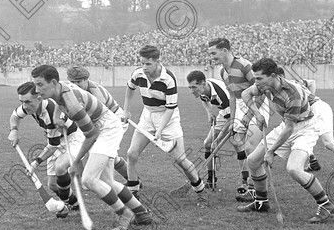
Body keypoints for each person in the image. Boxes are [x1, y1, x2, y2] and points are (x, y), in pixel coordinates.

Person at [31, 65, 153, 230]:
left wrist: (75, 161)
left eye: (40, 85)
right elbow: (60, 100)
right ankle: (141, 213)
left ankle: (124, 214)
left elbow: (91, 134)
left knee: (88, 180)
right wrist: (57, 115)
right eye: (35, 85)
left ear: (52, 82)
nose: (37, 90)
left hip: (106, 128)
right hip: (99, 127)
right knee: (106, 182)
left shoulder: (72, 104)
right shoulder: (60, 86)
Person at [239, 58, 334, 223]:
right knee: (253, 160)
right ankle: (261, 203)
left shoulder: (293, 93)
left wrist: (271, 152)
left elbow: (290, 129)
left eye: (259, 78)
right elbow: (245, 93)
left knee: (294, 169)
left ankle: (325, 204)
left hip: (305, 128)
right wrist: (257, 114)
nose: (256, 82)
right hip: (286, 125)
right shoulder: (264, 85)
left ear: (273, 76)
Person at [122, 45, 207, 207]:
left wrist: (160, 130)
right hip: (147, 115)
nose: (144, 68)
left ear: (157, 61)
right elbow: (129, 89)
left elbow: (170, 108)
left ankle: (201, 192)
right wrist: (126, 111)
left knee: (180, 159)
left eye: (148, 64)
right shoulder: (138, 73)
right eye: (142, 63)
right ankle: (133, 195)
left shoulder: (168, 78)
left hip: (168, 118)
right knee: (131, 154)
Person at [207, 38, 270, 202]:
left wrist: (251, 114)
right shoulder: (223, 71)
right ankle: (248, 182)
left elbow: (261, 90)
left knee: (250, 148)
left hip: (257, 105)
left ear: (225, 50)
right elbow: (233, 97)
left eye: (214, 53)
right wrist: (234, 120)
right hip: (241, 106)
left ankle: (255, 189)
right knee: (237, 143)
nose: (212, 57)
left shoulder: (244, 65)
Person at [8, 82, 80, 218]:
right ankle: (75, 205)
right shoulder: (28, 107)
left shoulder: (50, 112)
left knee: (60, 169)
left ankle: (65, 204)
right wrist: (14, 131)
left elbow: (53, 145)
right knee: (53, 185)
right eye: (22, 102)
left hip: (73, 140)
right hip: (55, 140)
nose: (24, 106)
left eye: (28, 102)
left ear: (39, 99)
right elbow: (14, 116)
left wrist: (34, 163)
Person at [274, 70, 334, 177]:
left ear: (278, 77)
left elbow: (311, 82)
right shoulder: (282, 87)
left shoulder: (289, 85)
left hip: (317, 109)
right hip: (316, 109)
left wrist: (311, 100)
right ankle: (313, 162)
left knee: (328, 143)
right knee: (299, 136)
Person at [65, 65, 131, 184]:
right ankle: (132, 180)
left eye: (78, 81)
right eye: (72, 82)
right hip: (98, 121)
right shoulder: (71, 89)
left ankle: (112, 184)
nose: (75, 85)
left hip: (113, 119)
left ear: (86, 80)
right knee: (105, 155)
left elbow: (102, 116)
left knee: (102, 154)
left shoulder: (95, 91)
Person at [186, 70, 242, 193]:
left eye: (194, 87)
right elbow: (204, 100)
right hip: (224, 112)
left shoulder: (222, 94)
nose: (191, 91)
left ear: (203, 83)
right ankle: (211, 179)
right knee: (208, 144)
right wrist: (210, 112)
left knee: (237, 144)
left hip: (237, 111)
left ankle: (246, 181)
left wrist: (217, 140)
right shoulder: (202, 90)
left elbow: (231, 120)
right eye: (189, 87)